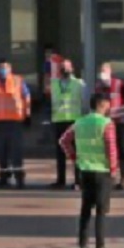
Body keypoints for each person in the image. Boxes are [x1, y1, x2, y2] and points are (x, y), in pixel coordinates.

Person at [61, 89, 121, 248]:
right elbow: (111, 148)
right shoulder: (106, 123)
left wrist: (74, 157)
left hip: (84, 170)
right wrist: (114, 169)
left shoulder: (79, 122)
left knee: (85, 209)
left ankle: (83, 247)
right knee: (101, 211)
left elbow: (64, 140)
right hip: (102, 171)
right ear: (103, 105)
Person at [0, 58, 33, 189]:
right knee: (2, 152)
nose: (2, 70)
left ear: (10, 69)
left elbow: (26, 97)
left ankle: (19, 180)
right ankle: (4, 179)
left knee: (16, 152)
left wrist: (28, 115)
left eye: (5, 68)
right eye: (0, 68)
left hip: (15, 121)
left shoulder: (18, 81)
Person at [46, 53, 85, 190]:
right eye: (62, 67)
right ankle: (60, 180)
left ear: (72, 69)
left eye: (67, 67)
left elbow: (83, 102)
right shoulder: (54, 83)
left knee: (76, 151)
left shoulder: (79, 84)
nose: (64, 69)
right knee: (60, 152)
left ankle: (78, 181)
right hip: (59, 120)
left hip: (74, 121)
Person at [96, 62, 124, 190]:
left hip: (119, 121)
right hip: (104, 123)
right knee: (106, 149)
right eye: (101, 70)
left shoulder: (119, 84)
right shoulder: (98, 86)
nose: (102, 72)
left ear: (110, 71)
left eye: (105, 70)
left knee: (121, 149)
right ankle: (110, 177)